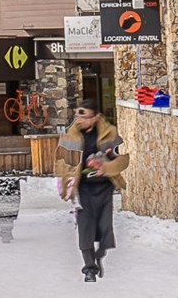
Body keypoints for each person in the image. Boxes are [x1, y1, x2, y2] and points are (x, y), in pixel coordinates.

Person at [55, 100, 130, 282]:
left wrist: (106, 167)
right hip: (82, 189)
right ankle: (89, 269)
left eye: (85, 116)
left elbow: (123, 160)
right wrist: (65, 185)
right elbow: (60, 163)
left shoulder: (109, 134)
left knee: (105, 228)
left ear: (96, 117)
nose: (80, 120)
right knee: (85, 228)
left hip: (104, 187)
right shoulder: (69, 137)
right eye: (78, 116)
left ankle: (99, 256)